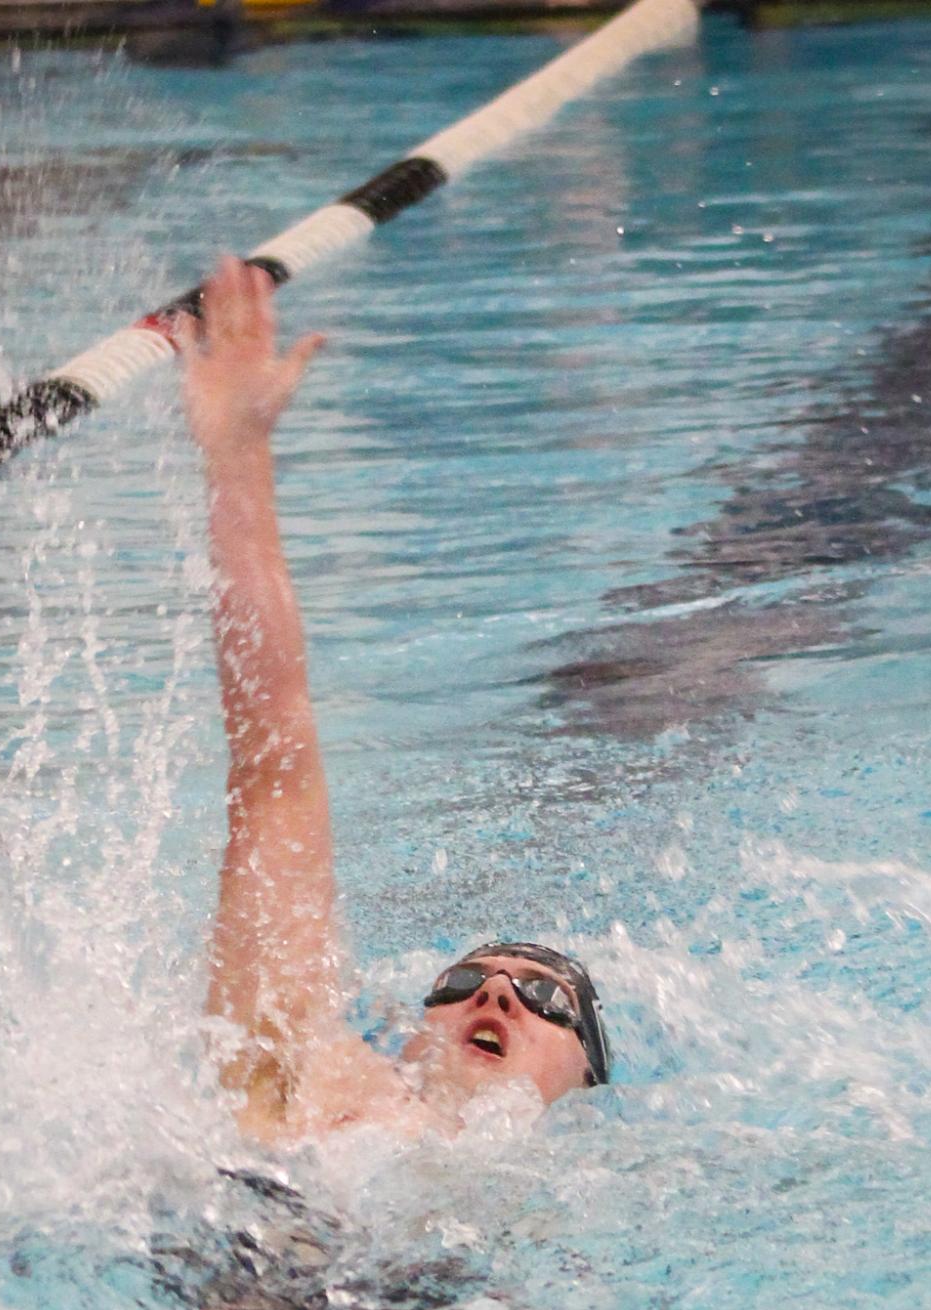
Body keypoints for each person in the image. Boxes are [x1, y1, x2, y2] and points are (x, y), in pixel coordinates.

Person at [171, 256, 612, 1150]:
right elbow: (273, 774)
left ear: (588, 1083)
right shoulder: (317, 1081)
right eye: (462, 982)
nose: (493, 993)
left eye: (544, 997)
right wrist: (238, 458)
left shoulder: (607, 1199)